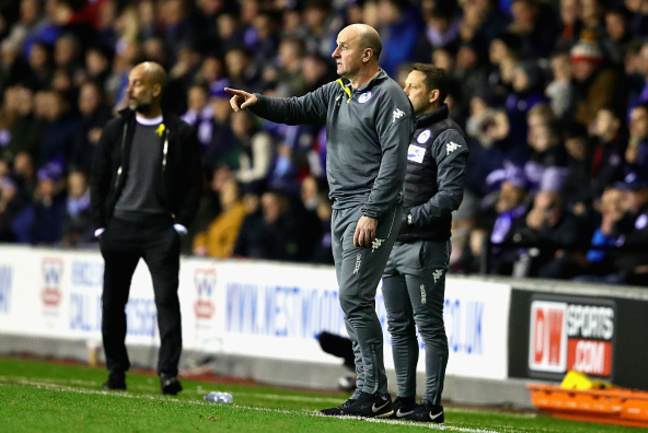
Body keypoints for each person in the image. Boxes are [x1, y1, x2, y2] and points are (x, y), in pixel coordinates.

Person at [225, 23, 414, 417]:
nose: (334, 54)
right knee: (353, 301)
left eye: (342, 47)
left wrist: (372, 212)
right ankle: (370, 390)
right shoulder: (336, 92)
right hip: (342, 205)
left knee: (354, 297)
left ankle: (372, 391)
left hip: (371, 207)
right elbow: (294, 109)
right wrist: (257, 101)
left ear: (367, 54)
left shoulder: (390, 97)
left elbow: (395, 165)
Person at [89, 62, 202, 395]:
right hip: (119, 227)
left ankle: (168, 372)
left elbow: (194, 183)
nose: (130, 89)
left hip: (159, 230)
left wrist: (179, 225)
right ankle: (115, 370)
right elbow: (98, 177)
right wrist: (100, 227)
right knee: (112, 302)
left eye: (137, 84)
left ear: (156, 90)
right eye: (129, 83)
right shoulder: (115, 130)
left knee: (167, 300)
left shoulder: (180, 133)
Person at [381, 64, 468, 423]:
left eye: (413, 87)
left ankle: (431, 404)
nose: (405, 91)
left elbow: (451, 195)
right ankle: (404, 399)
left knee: (428, 325)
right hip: (391, 245)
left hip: (424, 245)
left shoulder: (449, 136)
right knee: (398, 325)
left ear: (433, 95)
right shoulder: (401, 129)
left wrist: (411, 218)